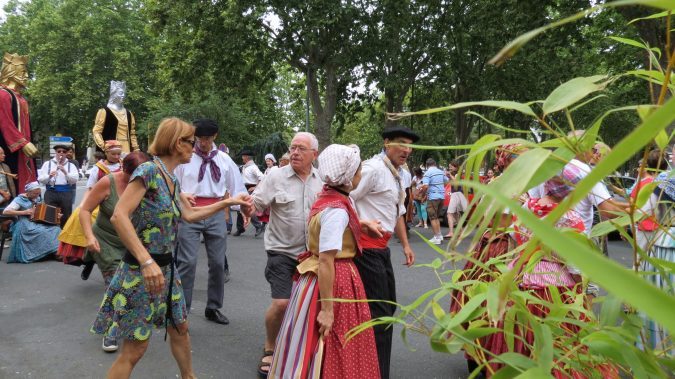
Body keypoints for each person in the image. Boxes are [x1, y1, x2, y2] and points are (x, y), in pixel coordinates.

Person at [91, 117, 252, 378]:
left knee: (180, 329)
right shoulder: (149, 171)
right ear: (178, 143)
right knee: (135, 349)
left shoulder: (170, 178)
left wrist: (229, 202)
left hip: (166, 269)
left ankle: (189, 376)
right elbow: (119, 216)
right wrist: (145, 261)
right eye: (191, 142)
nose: (195, 147)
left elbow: (189, 215)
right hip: (140, 273)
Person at [485, 164, 617, 378]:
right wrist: (580, 290)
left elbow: (513, 237)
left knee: (519, 334)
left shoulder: (527, 206)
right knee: (558, 339)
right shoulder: (570, 220)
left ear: (547, 185)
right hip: (554, 284)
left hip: (520, 275)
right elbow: (572, 261)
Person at [269, 144, 380, 378]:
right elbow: (327, 259)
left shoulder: (326, 197)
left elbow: (327, 231)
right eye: (358, 171)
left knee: (306, 338)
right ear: (349, 177)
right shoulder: (337, 210)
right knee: (336, 339)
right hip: (334, 278)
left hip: (314, 277)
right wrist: (328, 309)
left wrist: (361, 226)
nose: (360, 176)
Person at [243, 132, 323, 377]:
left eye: (301, 149)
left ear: (314, 155)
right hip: (282, 251)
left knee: (308, 306)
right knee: (281, 303)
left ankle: (300, 349)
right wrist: (246, 207)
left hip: (312, 256)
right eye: (292, 148)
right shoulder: (275, 176)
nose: (295, 152)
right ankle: (270, 347)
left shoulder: (322, 181)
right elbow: (256, 203)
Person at [349, 125, 417, 379]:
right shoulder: (373, 169)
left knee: (388, 309)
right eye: (401, 143)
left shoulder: (400, 174)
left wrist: (406, 245)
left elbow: (397, 211)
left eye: (410, 146)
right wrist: (362, 222)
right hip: (365, 249)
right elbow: (346, 198)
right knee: (379, 314)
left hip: (382, 249)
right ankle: (374, 372)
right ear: (386, 143)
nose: (407, 150)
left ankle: (374, 367)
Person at [174, 119, 247, 325]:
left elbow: (237, 187)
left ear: (215, 137)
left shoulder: (224, 159)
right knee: (186, 262)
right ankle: (182, 311)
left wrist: (245, 208)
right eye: (199, 139)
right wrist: (180, 196)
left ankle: (213, 307)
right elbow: (172, 182)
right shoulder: (185, 157)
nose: (202, 143)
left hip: (215, 212)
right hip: (191, 211)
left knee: (217, 262)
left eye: (206, 138)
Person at [79, 151, 149, 352]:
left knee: (134, 286)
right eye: (129, 175)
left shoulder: (147, 182)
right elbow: (84, 209)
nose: (132, 181)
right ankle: (111, 331)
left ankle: (129, 322)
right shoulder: (108, 182)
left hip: (132, 242)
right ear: (123, 169)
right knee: (116, 286)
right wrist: (89, 237)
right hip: (106, 240)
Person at [638, 145, 674, 356]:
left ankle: (660, 354)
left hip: (664, 245)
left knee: (658, 303)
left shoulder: (662, 181)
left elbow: (645, 212)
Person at [0, 52, 39, 192]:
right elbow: (5, 123)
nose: (26, 76)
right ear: (11, 72)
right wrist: (23, 143)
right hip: (14, 149)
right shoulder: (3, 94)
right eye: (23, 72)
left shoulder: (20, 98)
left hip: (24, 150)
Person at [4, 181, 60, 263]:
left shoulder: (38, 198)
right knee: (41, 231)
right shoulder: (19, 200)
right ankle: (44, 253)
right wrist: (24, 212)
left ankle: (52, 252)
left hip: (36, 222)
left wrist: (56, 216)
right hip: (22, 223)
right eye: (35, 193)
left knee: (55, 229)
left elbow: (44, 212)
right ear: (28, 192)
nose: (37, 195)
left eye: (38, 193)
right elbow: (6, 211)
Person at [37, 144, 79, 227]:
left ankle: (64, 233)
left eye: (64, 152)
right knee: (50, 215)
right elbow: (40, 179)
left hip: (66, 192)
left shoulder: (71, 165)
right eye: (59, 151)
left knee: (66, 215)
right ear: (55, 153)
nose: (61, 153)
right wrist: (49, 176)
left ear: (66, 153)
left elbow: (75, 180)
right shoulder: (47, 164)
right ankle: (52, 234)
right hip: (51, 192)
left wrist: (65, 172)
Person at [92, 80, 139, 153]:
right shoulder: (104, 112)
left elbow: (132, 134)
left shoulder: (129, 113)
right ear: (114, 94)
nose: (123, 95)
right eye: (120, 93)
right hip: (111, 150)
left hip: (127, 149)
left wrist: (136, 149)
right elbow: (96, 132)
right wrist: (105, 146)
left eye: (124, 93)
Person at [233, 148, 264, 237]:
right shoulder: (245, 167)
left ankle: (258, 225)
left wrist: (255, 187)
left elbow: (262, 177)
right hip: (244, 188)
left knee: (248, 208)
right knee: (240, 207)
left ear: (246, 157)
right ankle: (240, 228)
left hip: (250, 188)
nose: (242, 158)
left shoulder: (253, 167)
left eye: (243, 156)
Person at [421, 158, 448, 244]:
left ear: (427, 165)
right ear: (435, 164)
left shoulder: (427, 173)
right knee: (436, 217)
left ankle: (436, 237)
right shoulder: (441, 172)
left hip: (433, 197)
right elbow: (446, 181)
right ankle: (439, 235)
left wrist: (423, 195)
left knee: (432, 217)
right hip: (441, 196)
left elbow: (425, 186)